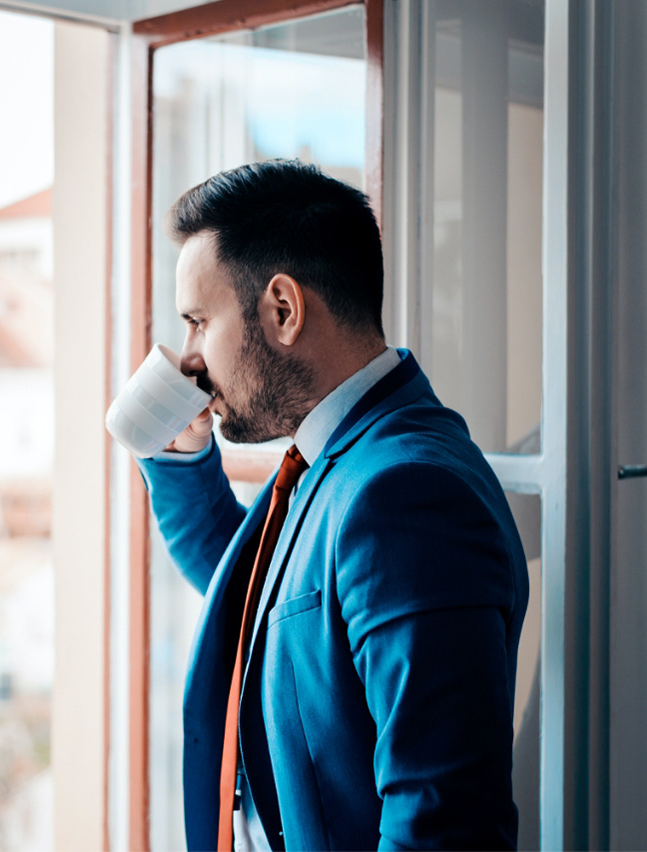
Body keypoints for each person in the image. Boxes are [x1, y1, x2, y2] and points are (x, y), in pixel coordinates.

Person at [135, 160, 528, 850]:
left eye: (199, 322)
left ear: (282, 310)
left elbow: (443, 823)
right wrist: (181, 456)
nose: (188, 360)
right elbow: (261, 603)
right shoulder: (336, 459)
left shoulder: (406, 495)